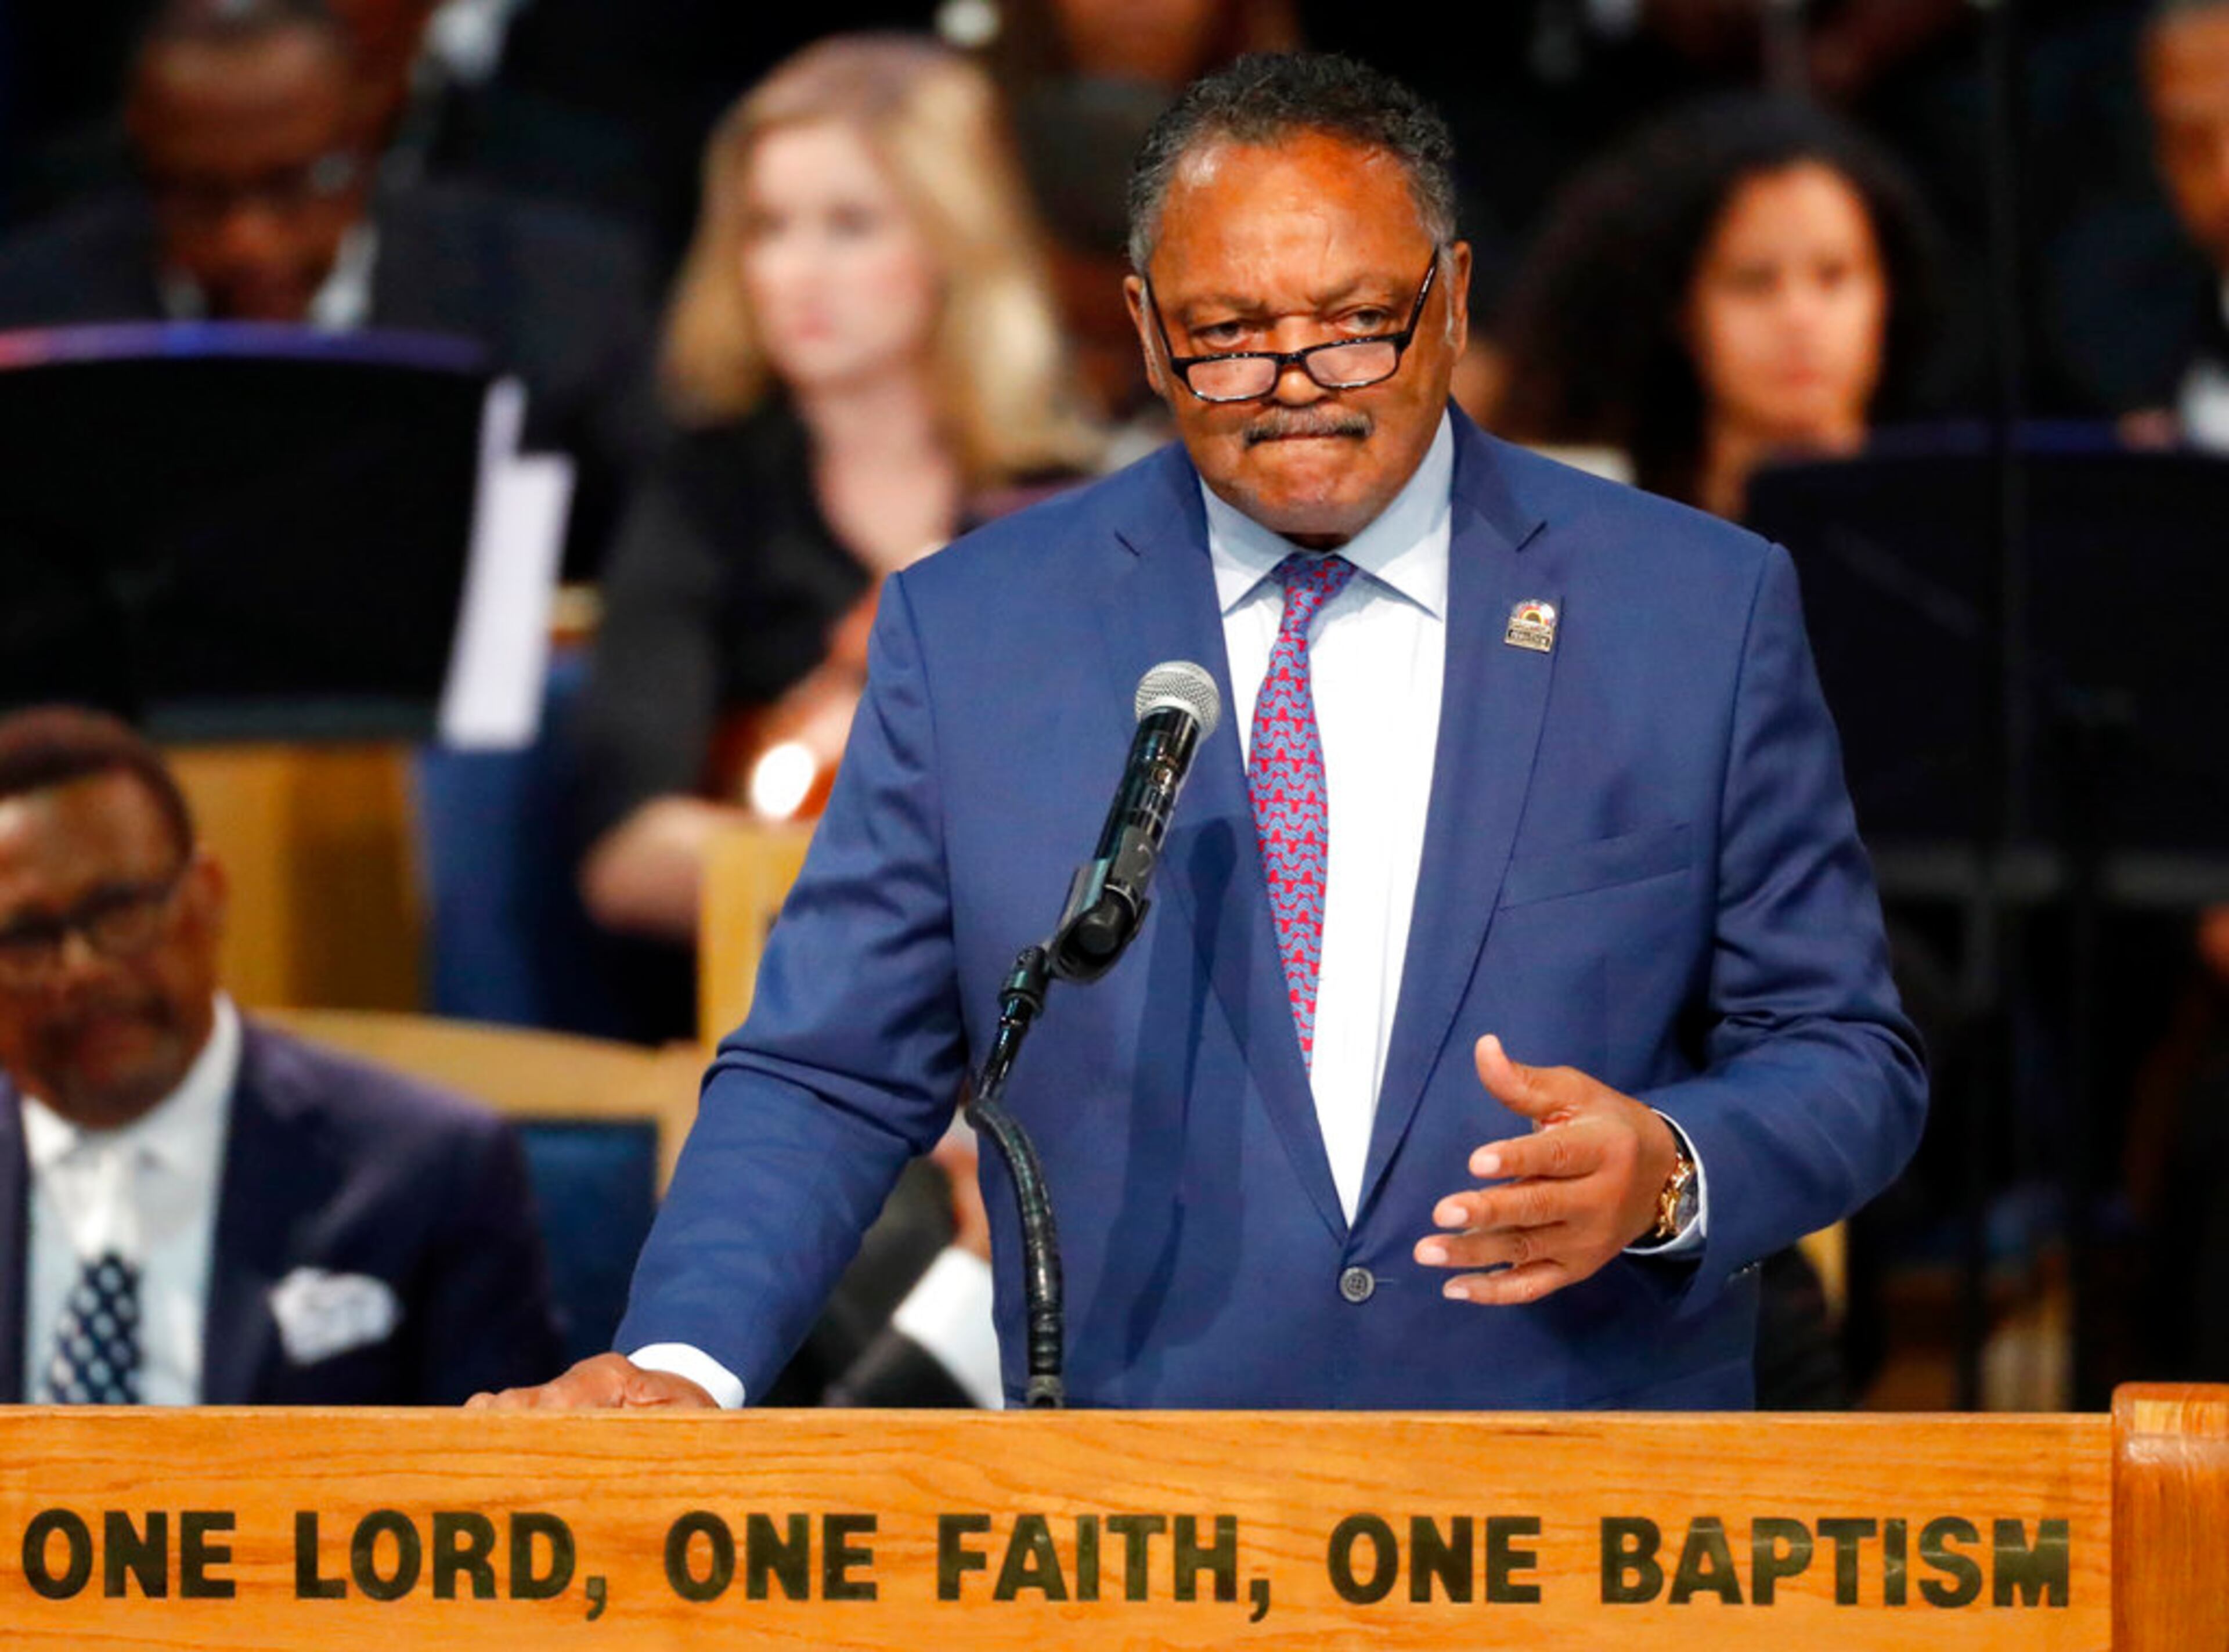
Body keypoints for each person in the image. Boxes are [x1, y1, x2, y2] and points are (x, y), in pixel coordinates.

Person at [483, 52, 1926, 1415]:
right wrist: (682, 1362)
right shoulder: (976, 629)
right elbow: (827, 1065)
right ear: (1141, 330)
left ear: (1455, 298)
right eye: (1228, 336)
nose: (1293, 378)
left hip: (1571, 1495)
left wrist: (1669, 1171)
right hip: (1144, 1506)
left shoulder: (1688, 605)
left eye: (1357, 322)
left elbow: (1843, 1052)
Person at [572, 34, 1101, 945]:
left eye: (851, 225)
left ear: (953, 241)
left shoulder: (1066, 507)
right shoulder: (702, 495)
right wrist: (895, 884)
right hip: (762, 1010)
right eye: (769, 227)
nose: (795, 273)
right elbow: (626, 852)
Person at [0, 705, 562, 1403]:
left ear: (206, 895)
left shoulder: (428, 1167)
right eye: (26, 938)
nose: (81, 969)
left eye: (118, 911)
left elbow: (513, 1491)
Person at [0, 0, 655, 577]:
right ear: (141, 160)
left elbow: (652, 547)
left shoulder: (552, 293)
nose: (247, 240)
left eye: (293, 184)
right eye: (198, 194)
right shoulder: (31, 309)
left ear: (369, 141)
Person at [1491, 95, 1939, 520]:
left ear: (1889, 291)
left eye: (1834, 275)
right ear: (1679, 312)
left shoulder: (1973, 524)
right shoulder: (1592, 530)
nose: (1800, 317)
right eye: (1753, 282)